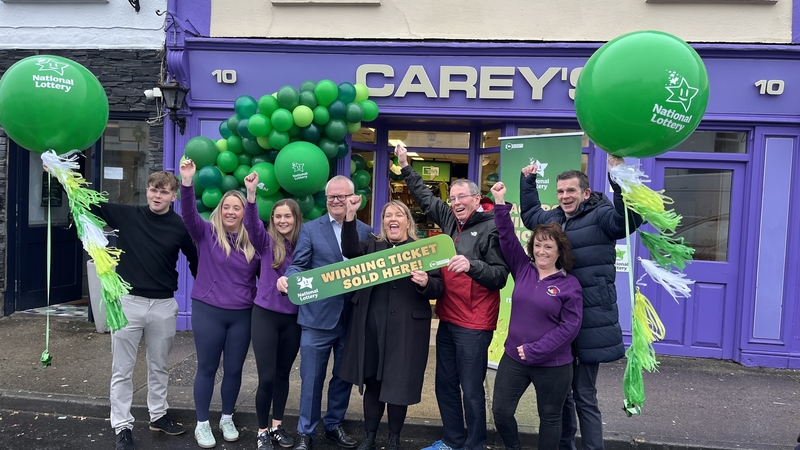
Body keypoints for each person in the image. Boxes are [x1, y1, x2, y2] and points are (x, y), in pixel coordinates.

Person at [519, 155, 643, 450]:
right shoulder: (556, 219)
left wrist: (619, 178)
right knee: (563, 394)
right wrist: (528, 182)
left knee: (584, 394)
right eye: (560, 191)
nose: (564, 196)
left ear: (585, 193)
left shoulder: (601, 213)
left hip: (591, 320)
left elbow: (629, 220)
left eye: (571, 191)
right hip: (559, 321)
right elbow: (531, 215)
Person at [394, 145, 509, 450]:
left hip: (475, 323)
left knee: (471, 389)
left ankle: (474, 444)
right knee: (444, 384)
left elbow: (500, 276)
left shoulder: (492, 227)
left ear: (476, 199)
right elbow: (425, 198)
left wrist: (472, 265)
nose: (456, 202)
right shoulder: (450, 220)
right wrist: (405, 165)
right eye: (453, 198)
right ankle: (453, 440)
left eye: (462, 198)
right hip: (448, 317)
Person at [91, 170, 198, 450]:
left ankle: (158, 415)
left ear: (173, 196)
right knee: (122, 369)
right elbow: (89, 203)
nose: (157, 195)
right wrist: (62, 172)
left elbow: (197, 260)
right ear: (147, 190)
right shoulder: (129, 216)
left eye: (163, 192)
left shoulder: (180, 226)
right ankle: (122, 425)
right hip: (129, 303)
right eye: (153, 189)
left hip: (163, 305)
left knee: (159, 365)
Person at [338, 199, 445, 450]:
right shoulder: (372, 245)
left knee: (399, 382)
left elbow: (439, 287)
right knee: (373, 380)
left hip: (407, 328)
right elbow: (350, 249)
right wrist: (350, 215)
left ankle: (394, 437)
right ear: (383, 222)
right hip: (372, 326)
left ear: (408, 221)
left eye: (398, 214)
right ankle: (369, 435)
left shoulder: (422, 250)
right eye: (387, 215)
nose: (392, 219)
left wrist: (425, 282)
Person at [276, 175, 373, 450]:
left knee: (343, 376)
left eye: (341, 196)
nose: (335, 201)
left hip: (352, 318)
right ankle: (305, 432)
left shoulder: (366, 232)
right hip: (317, 318)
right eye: (331, 196)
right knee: (312, 378)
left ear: (353, 198)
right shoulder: (310, 229)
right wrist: (288, 279)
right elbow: (299, 265)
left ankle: (333, 425)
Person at [489, 181, 583, 450]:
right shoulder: (523, 269)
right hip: (514, 358)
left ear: (559, 252)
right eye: (538, 245)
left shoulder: (569, 285)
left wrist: (535, 350)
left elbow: (570, 328)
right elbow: (506, 238)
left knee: (551, 418)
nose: (542, 251)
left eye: (548, 247)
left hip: (553, 365)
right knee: (501, 412)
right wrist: (499, 203)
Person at [179, 159, 260, 449]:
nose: (230, 211)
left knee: (235, 369)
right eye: (226, 206)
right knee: (207, 367)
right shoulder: (207, 234)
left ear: (242, 213)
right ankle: (202, 423)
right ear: (220, 210)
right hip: (208, 310)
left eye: (236, 208)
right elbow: (188, 214)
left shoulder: (254, 242)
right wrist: (187, 182)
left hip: (242, 314)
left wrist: (250, 197)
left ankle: (227, 417)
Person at [243, 172, 304, 450]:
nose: (282, 220)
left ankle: (278, 426)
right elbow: (251, 223)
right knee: (266, 376)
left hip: (293, 318)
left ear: (295, 218)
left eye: (287, 216)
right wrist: (252, 195)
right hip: (265, 315)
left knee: (282, 375)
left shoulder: (304, 245)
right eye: (278, 216)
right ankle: (262, 431)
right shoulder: (265, 241)